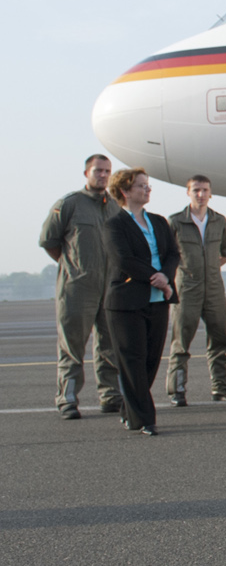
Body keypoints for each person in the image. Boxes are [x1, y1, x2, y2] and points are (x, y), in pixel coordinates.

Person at [39, 154, 124, 419]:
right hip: (77, 287)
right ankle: (67, 399)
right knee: (72, 345)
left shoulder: (115, 207)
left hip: (109, 286)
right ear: (86, 173)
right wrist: (73, 266)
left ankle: (110, 396)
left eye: (107, 171)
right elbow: (49, 241)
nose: (103, 175)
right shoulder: (69, 204)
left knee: (110, 344)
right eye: (98, 170)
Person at [102, 168, 180, 436]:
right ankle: (146, 419)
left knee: (150, 361)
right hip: (126, 302)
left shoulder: (159, 222)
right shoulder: (114, 225)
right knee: (132, 360)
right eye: (141, 186)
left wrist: (165, 278)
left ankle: (130, 409)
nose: (147, 190)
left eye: (147, 186)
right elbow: (123, 259)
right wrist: (153, 277)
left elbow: (172, 254)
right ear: (125, 191)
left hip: (159, 298)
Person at [165, 175, 226, 405]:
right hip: (186, 289)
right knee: (181, 341)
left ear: (211, 193)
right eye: (196, 190)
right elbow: (168, 255)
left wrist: (209, 269)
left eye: (205, 190)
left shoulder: (219, 221)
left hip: (214, 288)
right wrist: (191, 272)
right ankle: (176, 391)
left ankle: (222, 387)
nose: (201, 195)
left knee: (219, 339)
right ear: (188, 192)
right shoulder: (176, 222)